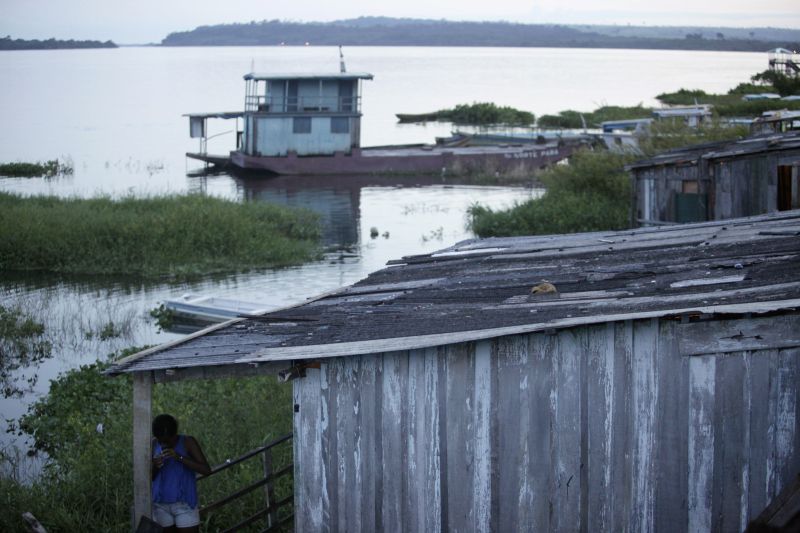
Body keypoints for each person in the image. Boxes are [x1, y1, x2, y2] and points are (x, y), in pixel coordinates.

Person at [151, 414, 211, 533]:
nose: (164, 444)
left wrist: (179, 457)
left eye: (167, 441)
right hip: (160, 504)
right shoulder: (153, 444)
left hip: (184, 505)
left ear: (174, 434)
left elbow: (206, 470)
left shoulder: (188, 442)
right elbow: (150, 477)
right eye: (160, 441)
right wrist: (156, 465)